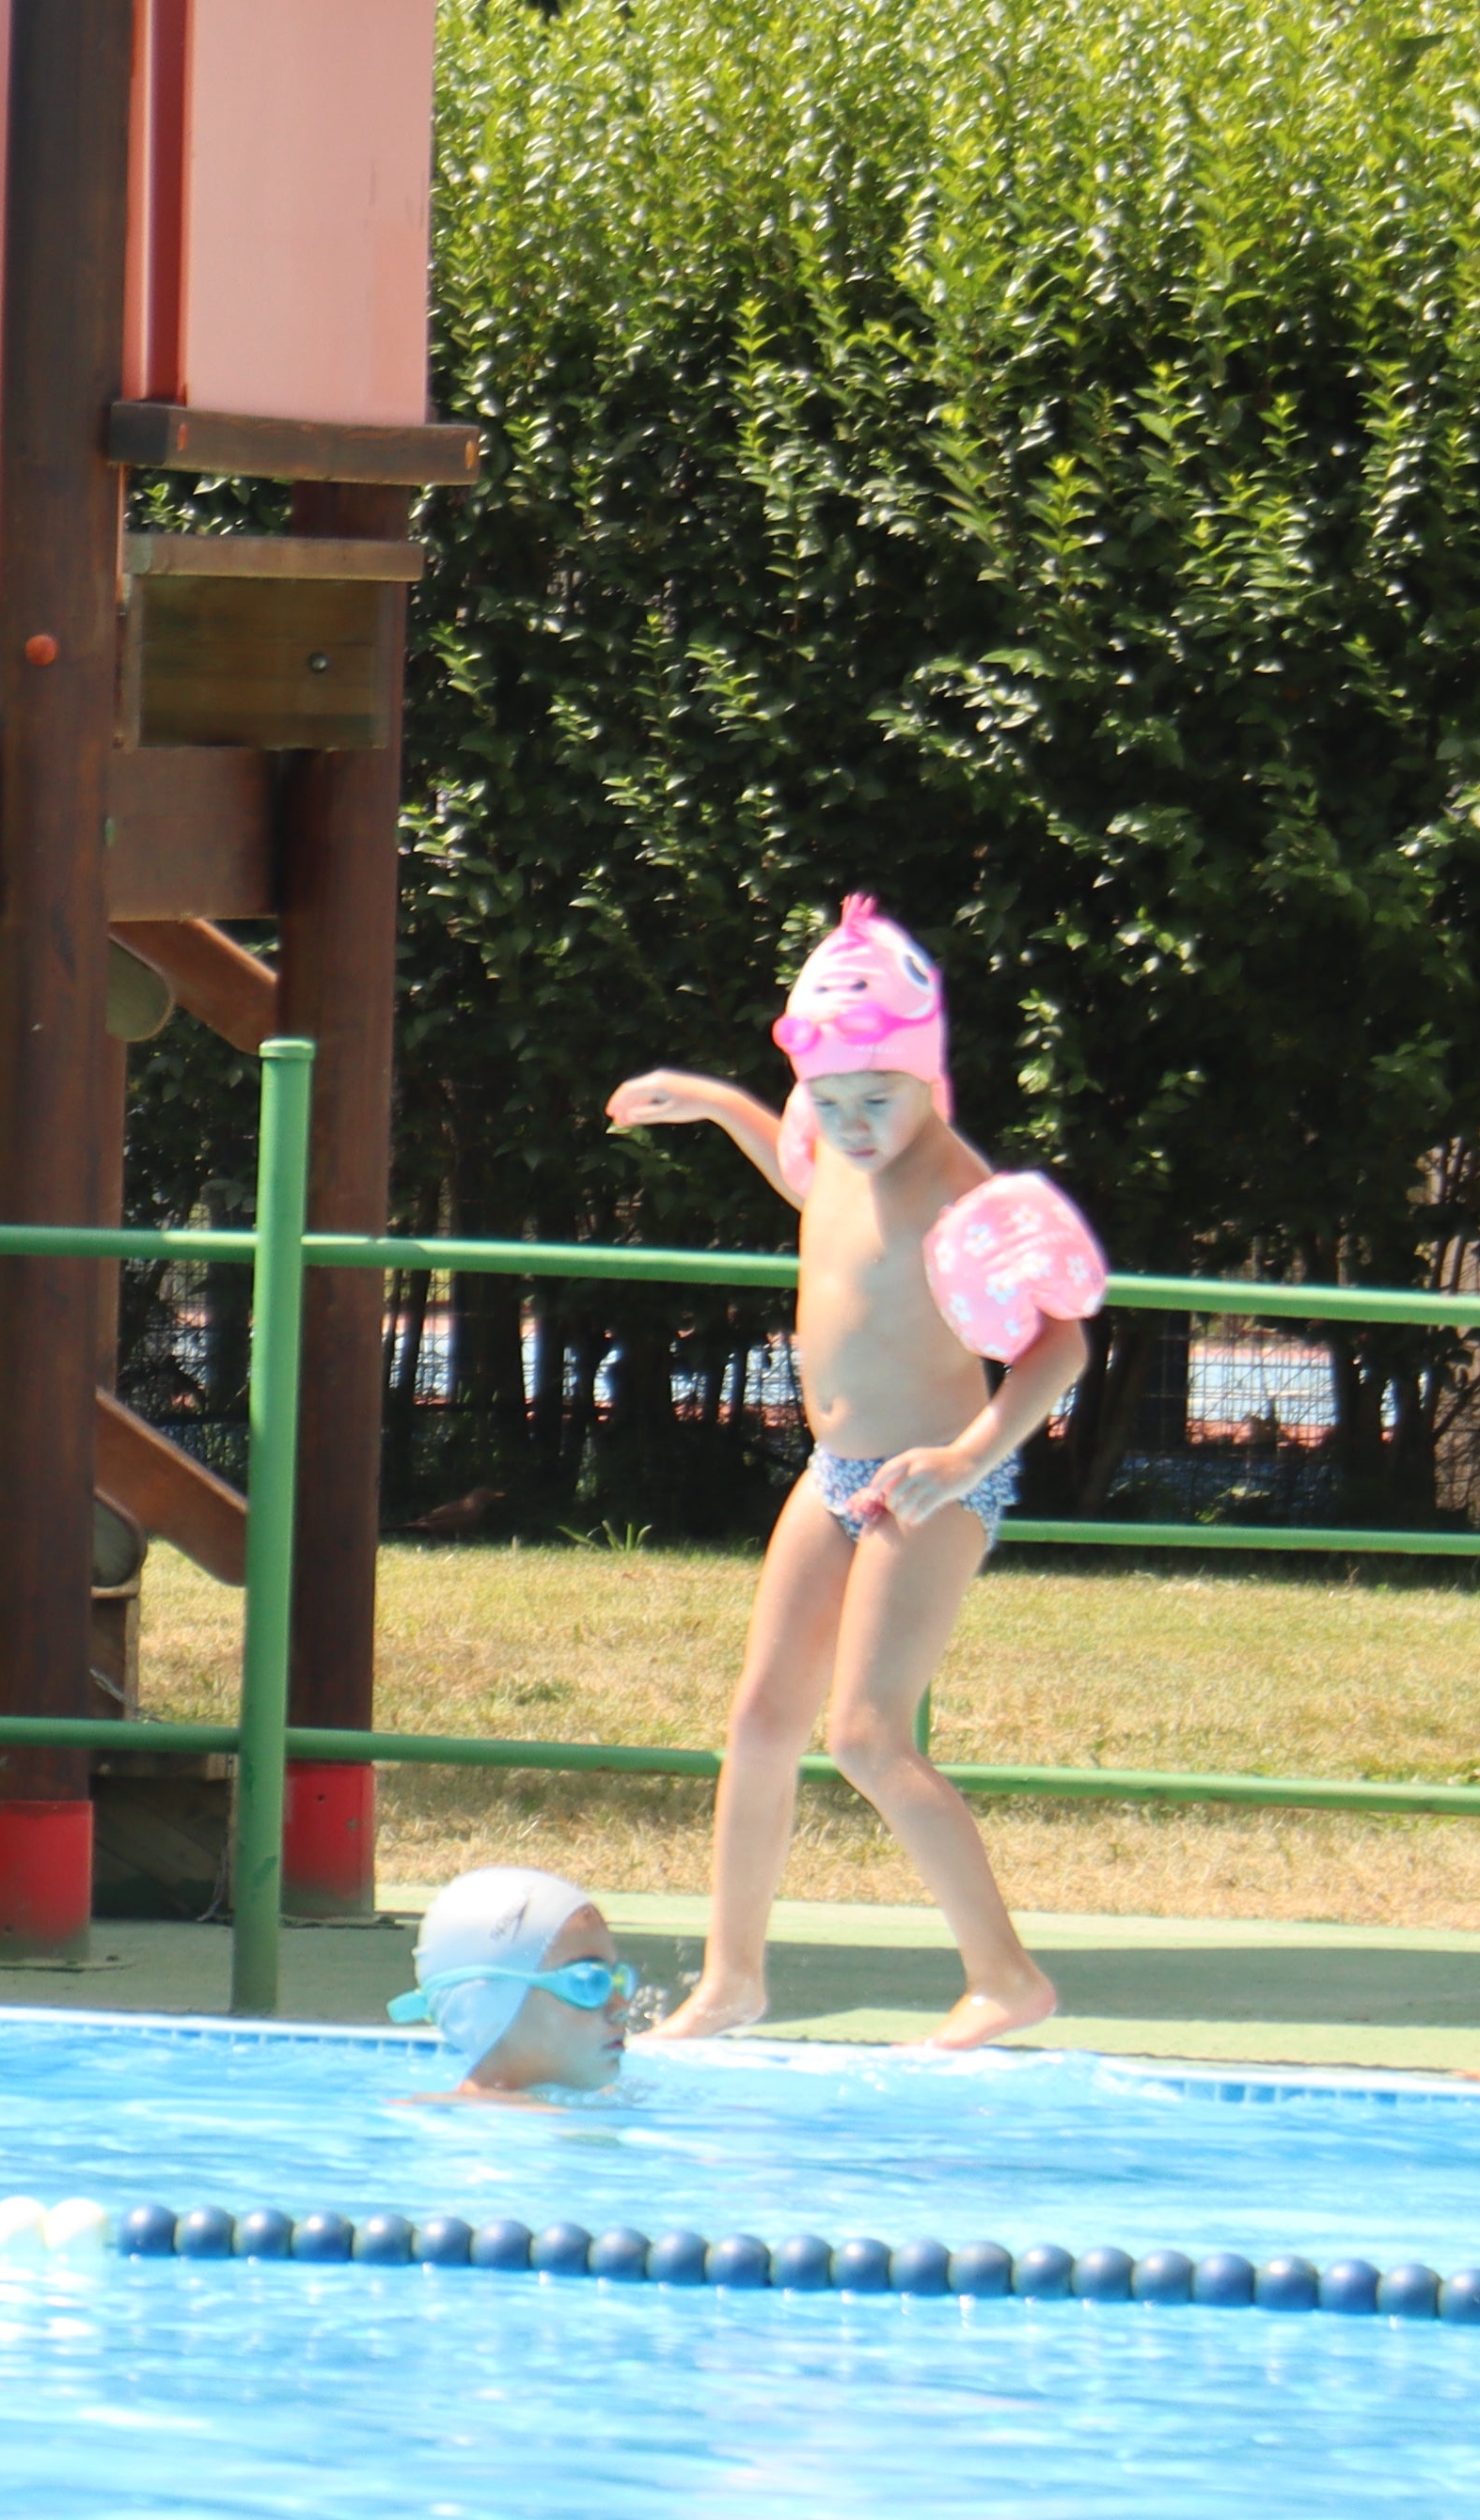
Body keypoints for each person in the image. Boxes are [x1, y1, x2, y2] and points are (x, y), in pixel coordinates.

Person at [605, 895, 1102, 2053]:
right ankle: (731, 1981)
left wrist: (969, 1454)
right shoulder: (835, 1138)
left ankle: (1006, 1975)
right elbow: (806, 1182)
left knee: (870, 1737)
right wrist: (721, 1100)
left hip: (934, 1478)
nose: (853, 1123)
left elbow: (1061, 1343)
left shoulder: (959, 1189)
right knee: (762, 1717)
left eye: (877, 1098)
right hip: (835, 1468)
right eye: (831, 1101)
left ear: (932, 1079)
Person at [387, 1863, 636, 2105]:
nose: (621, 2006)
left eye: (619, 1980)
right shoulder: (454, 2120)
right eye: (591, 1982)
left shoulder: (604, 2102)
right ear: (489, 2004)